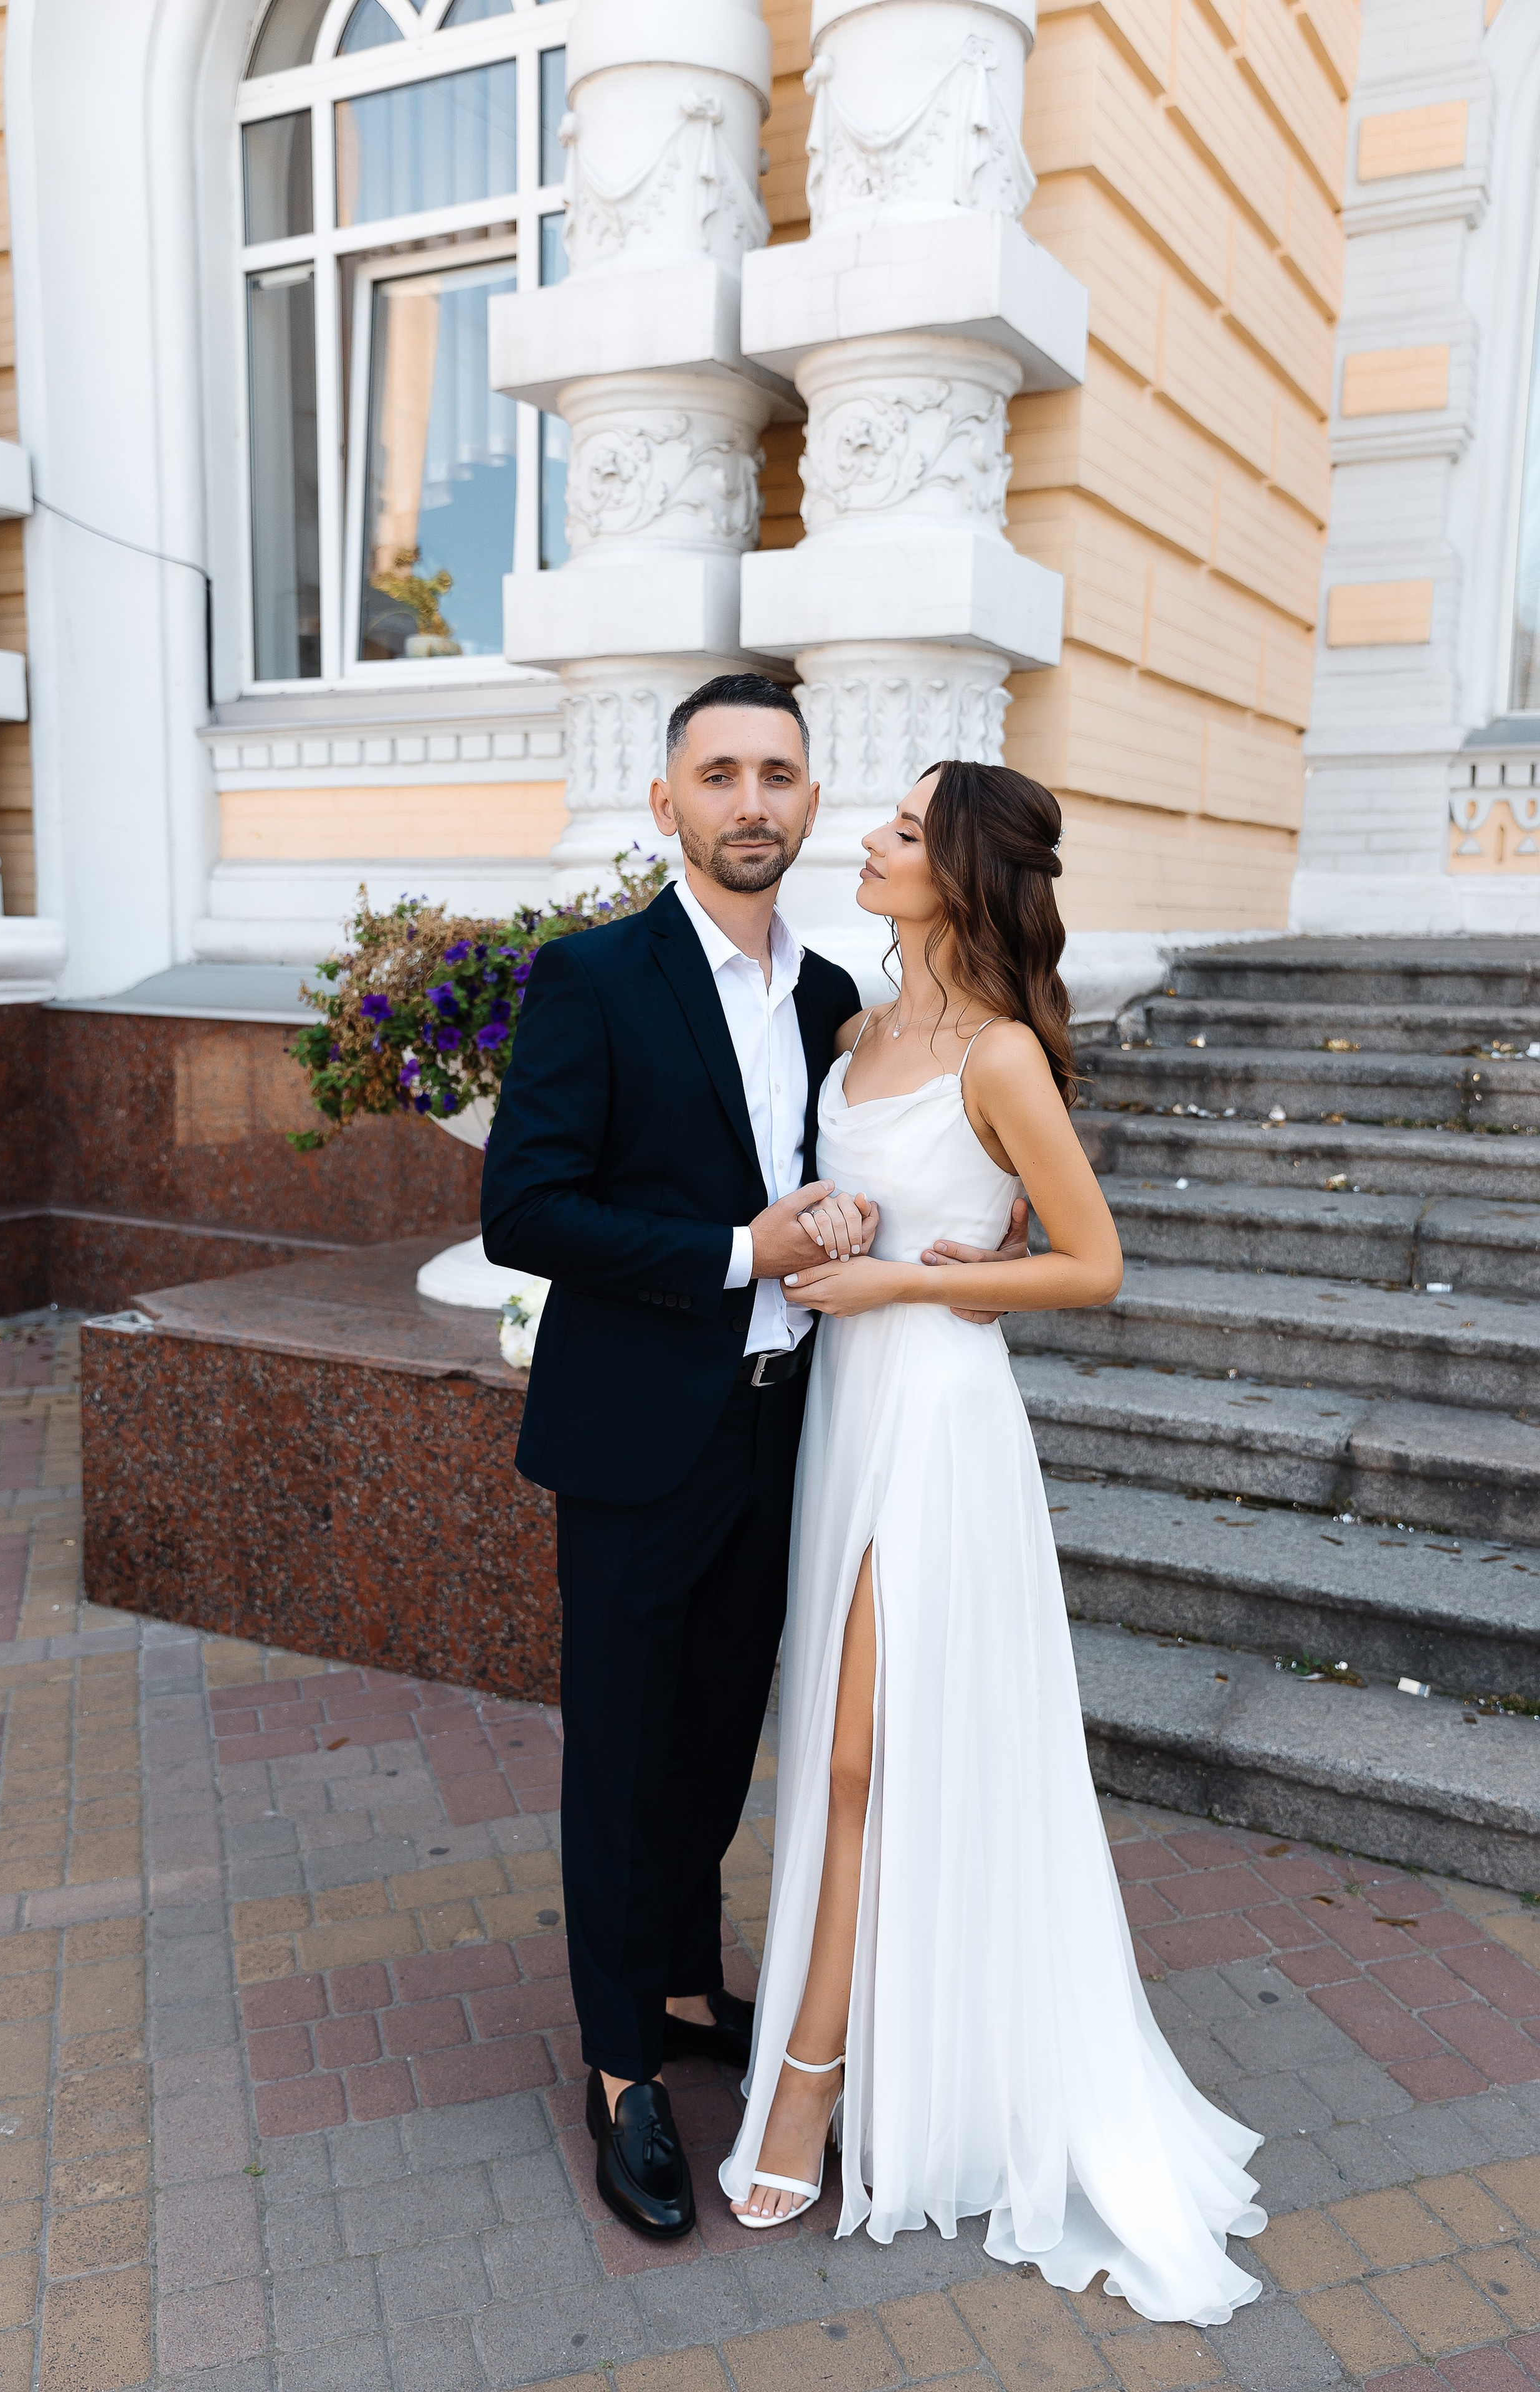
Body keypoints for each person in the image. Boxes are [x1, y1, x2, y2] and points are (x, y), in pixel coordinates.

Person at [718, 759, 1268, 2328]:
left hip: (937, 1423)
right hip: (840, 1420)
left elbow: (1091, 1264)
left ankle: (810, 2087)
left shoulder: (1004, 1053)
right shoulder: (850, 1029)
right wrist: (830, 1222)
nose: (869, 843)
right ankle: (879, 2043)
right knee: (837, 1749)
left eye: (899, 830)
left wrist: (903, 1284)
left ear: (955, 871)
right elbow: (862, 1197)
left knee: (856, 1760)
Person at [479, 677, 1024, 2241]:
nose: (749, 801)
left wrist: (872, 1227)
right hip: (636, 1436)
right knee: (620, 1754)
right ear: (667, 805)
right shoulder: (591, 979)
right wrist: (740, 1246)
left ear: (805, 796)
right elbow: (525, 1210)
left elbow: (857, 1167)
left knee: (718, 1738)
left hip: (794, 1430)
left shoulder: (833, 992)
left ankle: (670, 1978)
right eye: (716, 774)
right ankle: (615, 2072)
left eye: (776, 773)